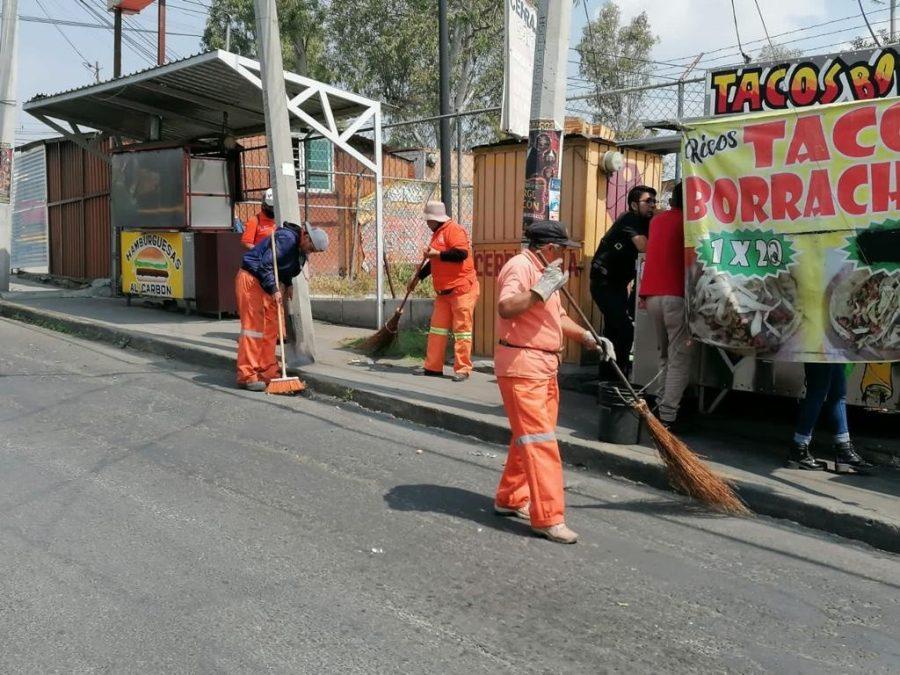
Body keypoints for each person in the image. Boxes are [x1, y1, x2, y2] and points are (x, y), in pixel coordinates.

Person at [493, 220, 615, 544]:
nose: (567, 257)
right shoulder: (520, 267)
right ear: (549, 248)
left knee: (529, 439)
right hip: (523, 366)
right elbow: (506, 308)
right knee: (542, 443)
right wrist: (537, 291)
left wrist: (589, 337)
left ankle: (510, 498)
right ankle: (548, 518)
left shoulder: (547, 275)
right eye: (563, 250)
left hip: (544, 366)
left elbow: (556, 318)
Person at [235, 221, 328, 391]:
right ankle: (247, 375)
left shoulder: (299, 249)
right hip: (253, 280)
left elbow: (284, 266)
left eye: (314, 251)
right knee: (253, 330)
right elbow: (266, 264)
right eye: (311, 247)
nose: (310, 252)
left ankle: (267, 371)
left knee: (270, 329)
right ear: (306, 236)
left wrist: (288, 283)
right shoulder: (287, 239)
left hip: (269, 284)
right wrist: (274, 288)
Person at [408, 201, 480, 382]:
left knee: (462, 331)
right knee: (437, 330)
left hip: (461, 290)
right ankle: (433, 367)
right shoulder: (437, 234)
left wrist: (437, 254)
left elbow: (461, 254)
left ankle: (463, 369)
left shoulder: (454, 230)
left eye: (428, 220)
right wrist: (418, 277)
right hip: (443, 292)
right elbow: (435, 263)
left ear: (435, 219)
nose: (426, 223)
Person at [590, 185, 656, 379]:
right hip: (603, 281)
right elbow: (644, 248)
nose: (652, 205)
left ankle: (607, 378)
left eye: (654, 201)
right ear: (634, 205)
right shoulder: (630, 219)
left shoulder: (646, 221)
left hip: (619, 284)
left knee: (613, 329)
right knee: (624, 330)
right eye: (648, 201)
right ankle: (618, 376)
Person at [639, 182, 691, 429]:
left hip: (652, 296)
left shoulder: (656, 222)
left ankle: (660, 403)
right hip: (675, 297)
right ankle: (668, 417)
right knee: (679, 358)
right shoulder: (691, 224)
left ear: (672, 201)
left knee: (664, 354)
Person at [789, 363, 873, 473]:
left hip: (826, 348)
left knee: (834, 392)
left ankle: (843, 449)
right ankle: (799, 448)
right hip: (824, 348)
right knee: (820, 391)